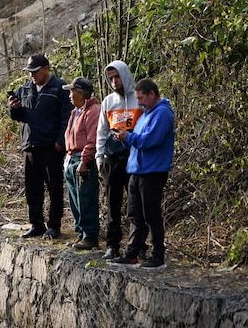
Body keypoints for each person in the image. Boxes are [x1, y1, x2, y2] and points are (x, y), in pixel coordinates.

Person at [109, 79, 174, 269]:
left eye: (141, 98)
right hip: (136, 170)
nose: (139, 102)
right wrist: (123, 138)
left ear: (152, 94)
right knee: (135, 214)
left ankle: (158, 255)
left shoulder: (162, 113)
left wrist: (128, 136)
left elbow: (150, 140)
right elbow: (137, 140)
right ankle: (132, 254)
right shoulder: (146, 114)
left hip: (152, 172)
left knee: (151, 215)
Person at [8, 54, 73, 239]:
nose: (32, 76)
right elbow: (18, 117)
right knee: (32, 188)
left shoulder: (60, 88)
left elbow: (66, 117)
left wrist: (60, 142)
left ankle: (54, 225)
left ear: (46, 69)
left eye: (35, 71)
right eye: (30, 72)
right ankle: (36, 224)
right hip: (29, 145)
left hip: (50, 146)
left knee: (54, 188)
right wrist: (14, 107)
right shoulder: (24, 89)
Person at [95, 60, 141, 259]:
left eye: (117, 77)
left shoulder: (138, 100)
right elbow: (101, 131)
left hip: (134, 157)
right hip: (112, 159)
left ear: (125, 76)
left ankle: (138, 245)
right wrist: (99, 157)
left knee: (135, 204)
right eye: (111, 78)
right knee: (112, 204)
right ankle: (112, 245)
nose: (114, 81)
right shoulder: (108, 102)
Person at [62, 78, 101, 250]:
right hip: (71, 158)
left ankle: (90, 236)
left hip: (83, 160)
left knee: (85, 199)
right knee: (74, 199)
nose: (69, 95)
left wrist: (85, 161)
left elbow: (92, 140)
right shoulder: (75, 112)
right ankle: (81, 232)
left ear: (81, 93)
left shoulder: (93, 111)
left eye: (72, 91)